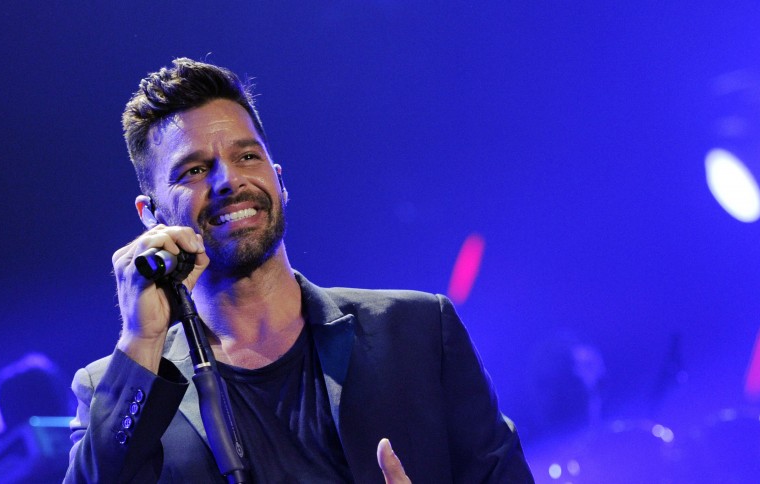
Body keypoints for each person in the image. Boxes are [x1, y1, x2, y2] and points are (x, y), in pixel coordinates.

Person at [64, 58, 533, 483]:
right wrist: (141, 341)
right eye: (194, 170)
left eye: (247, 156)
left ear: (279, 179)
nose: (229, 180)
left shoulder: (419, 330)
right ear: (151, 216)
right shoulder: (117, 386)